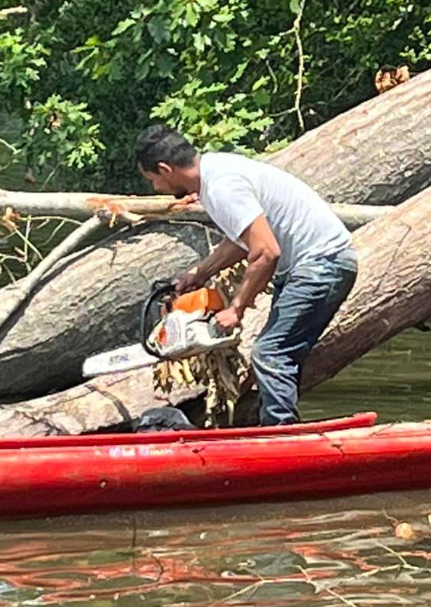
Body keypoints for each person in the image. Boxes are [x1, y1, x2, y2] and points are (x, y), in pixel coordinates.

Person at [134, 124, 358, 426]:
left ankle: (281, 438)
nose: (155, 188)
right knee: (280, 354)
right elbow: (242, 239)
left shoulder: (221, 187)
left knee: (270, 353)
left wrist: (236, 308)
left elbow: (266, 252)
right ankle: (277, 428)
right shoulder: (215, 172)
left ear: (165, 169)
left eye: (153, 179)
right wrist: (199, 273)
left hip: (320, 264)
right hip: (315, 265)